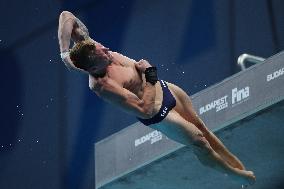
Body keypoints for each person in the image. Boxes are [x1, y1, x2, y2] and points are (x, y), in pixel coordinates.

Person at [58, 11, 256, 186]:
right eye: (103, 53)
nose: (107, 50)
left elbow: (66, 16)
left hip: (164, 88)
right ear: (93, 68)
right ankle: (235, 175)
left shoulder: (90, 49)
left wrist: (64, 53)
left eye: (102, 47)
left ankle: (238, 165)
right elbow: (145, 108)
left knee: (202, 126)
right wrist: (150, 72)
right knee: (199, 142)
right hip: (159, 114)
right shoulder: (103, 86)